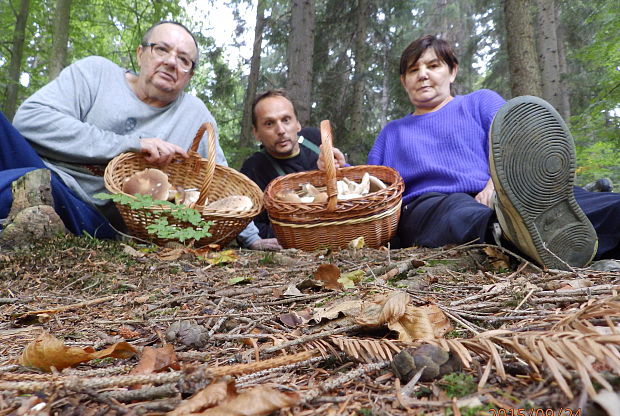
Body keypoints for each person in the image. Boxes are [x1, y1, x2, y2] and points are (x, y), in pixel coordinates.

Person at [1, 20, 279, 250]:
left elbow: (221, 179)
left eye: (184, 60)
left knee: (11, 184)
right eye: (162, 49)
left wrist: (252, 240)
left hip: (90, 209)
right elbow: (29, 120)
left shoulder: (195, 115)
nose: (172, 62)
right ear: (140, 53)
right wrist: (130, 145)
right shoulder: (95, 74)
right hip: (38, 168)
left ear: (190, 75)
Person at [365, 34, 620, 270]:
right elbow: (366, 190)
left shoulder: (479, 103)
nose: (422, 75)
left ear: (452, 71)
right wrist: (338, 171)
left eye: (433, 66)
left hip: (505, 193)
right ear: (404, 81)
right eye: (413, 70)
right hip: (431, 207)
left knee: (570, 202)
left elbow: (516, 141)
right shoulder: (391, 133)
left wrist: (495, 186)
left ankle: (549, 232)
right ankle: (508, 234)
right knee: (458, 210)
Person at [240, 89, 345, 238]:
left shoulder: (316, 141)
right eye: (269, 123)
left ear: (297, 124)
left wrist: (337, 169)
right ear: (256, 133)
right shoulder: (253, 169)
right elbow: (250, 227)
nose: (281, 130)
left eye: (286, 120)